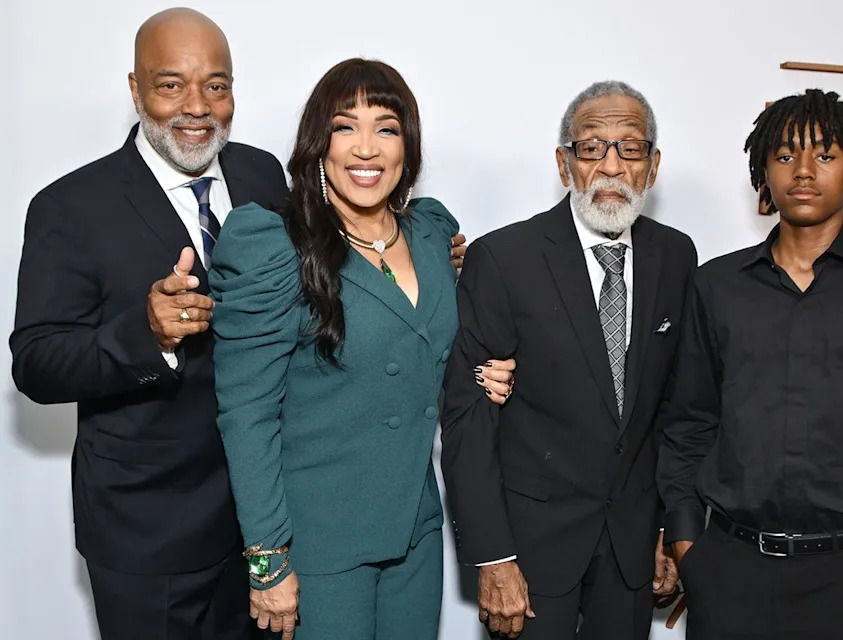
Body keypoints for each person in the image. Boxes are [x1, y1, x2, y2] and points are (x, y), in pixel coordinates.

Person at [208, 57, 514, 640]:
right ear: (318, 144)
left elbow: (434, 349)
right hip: (319, 542)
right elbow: (246, 414)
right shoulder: (273, 246)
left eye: (387, 128)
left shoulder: (428, 235)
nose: (366, 148)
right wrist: (268, 560)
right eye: (345, 126)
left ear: (408, 147)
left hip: (415, 531)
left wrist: (482, 372)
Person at [9, 8, 288, 638]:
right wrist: (148, 335)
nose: (197, 107)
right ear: (135, 89)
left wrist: (412, 257)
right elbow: (36, 362)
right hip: (148, 532)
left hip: (266, 520)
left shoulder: (263, 175)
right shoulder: (70, 207)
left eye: (216, 85)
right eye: (171, 85)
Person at [657, 88, 843, 640]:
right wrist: (687, 544)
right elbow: (688, 423)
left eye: (825, 155)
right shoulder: (716, 286)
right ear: (764, 170)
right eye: (786, 155)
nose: (804, 171)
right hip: (725, 566)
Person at [440, 81, 697, 640]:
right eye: (591, 148)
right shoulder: (504, 259)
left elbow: (674, 410)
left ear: (652, 167)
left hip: (634, 550)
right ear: (564, 164)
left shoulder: (677, 257)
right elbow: (468, 417)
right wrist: (491, 557)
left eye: (629, 149)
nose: (610, 166)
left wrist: (671, 530)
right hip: (530, 553)